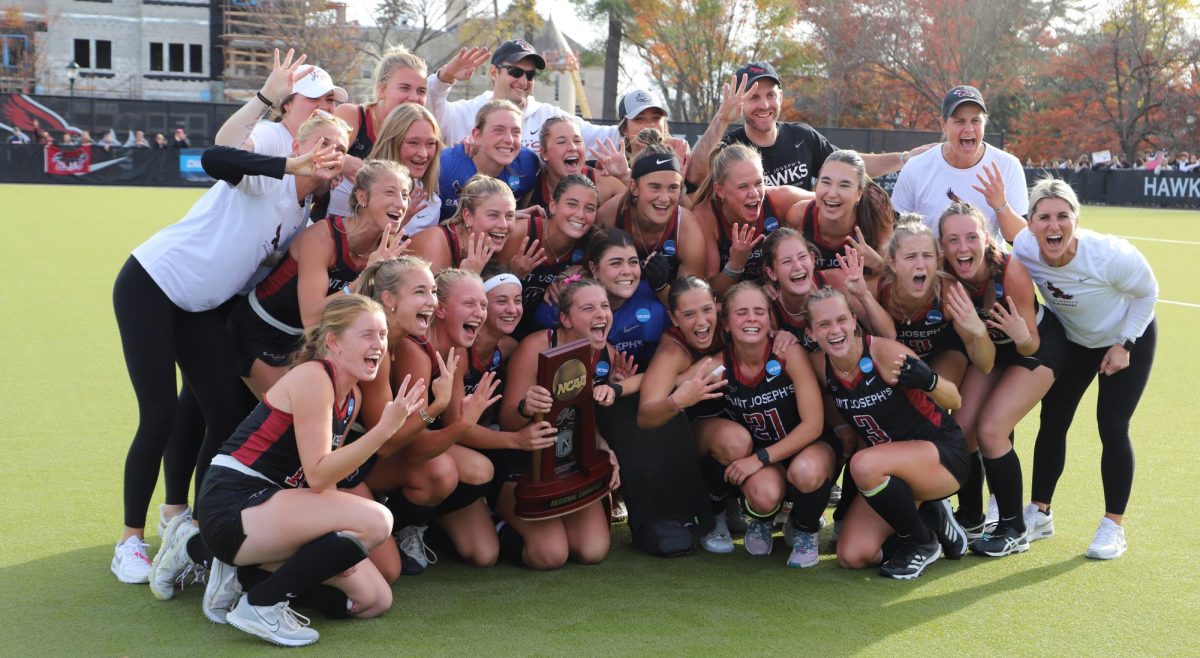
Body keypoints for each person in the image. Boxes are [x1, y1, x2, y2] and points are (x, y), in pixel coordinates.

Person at [109, 111, 348, 585]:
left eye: (339, 149)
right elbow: (215, 156)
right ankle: (129, 540)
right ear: (299, 145)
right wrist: (288, 159)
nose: (330, 154)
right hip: (152, 285)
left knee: (221, 412)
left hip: (201, 307)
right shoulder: (270, 181)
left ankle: (195, 525)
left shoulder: (305, 212)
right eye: (322, 142)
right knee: (157, 413)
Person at [194, 295, 425, 646]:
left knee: (374, 600)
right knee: (377, 521)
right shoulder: (314, 378)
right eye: (367, 335)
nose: (378, 344)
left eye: (382, 334)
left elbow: (324, 482)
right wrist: (383, 430)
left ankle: (243, 579)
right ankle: (259, 603)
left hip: (279, 509)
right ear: (333, 342)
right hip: (233, 505)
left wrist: (332, 548)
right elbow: (317, 473)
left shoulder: (353, 396)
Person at [1012, 178, 1158, 559]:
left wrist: (1124, 344)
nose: (1053, 225)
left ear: (1077, 220)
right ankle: (1040, 512)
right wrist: (997, 205)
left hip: (1127, 337)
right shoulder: (1025, 247)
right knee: (1054, 418)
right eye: (1043, 217)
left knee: (1111, 425)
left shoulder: (1109, 255)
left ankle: (1113, 525)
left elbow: (1148, 293)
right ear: (1030, 223)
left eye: (1063, 216)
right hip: (1076, 340)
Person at [806, 287, 970, 579]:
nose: (835, 330)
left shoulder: (884, 353)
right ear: (811, 333)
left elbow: (954, 400)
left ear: (854, 320)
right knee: (852, 555)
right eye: (824, 325)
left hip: (941, 455)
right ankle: (929, 519)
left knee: (863, 464)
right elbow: (830, 397)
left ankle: (922, 543)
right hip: (889, 474)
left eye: (841, 319)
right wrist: (842, 427)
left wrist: (929, 380)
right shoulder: (821, 364)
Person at [353, 257, 500, 577]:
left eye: (433, 292)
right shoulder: (379, 345)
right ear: (389, 300)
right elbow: (386, 446)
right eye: (421, 292)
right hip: (332, 466)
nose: (431, 302)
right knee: (386, 575)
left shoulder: (388, 345)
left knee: (474, 480)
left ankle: (405, 525)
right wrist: (438, 408)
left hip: (354, 455)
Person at [938, 201, 1068, 554]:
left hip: (1035, 347)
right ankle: (971, 516)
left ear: (986, 238)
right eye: (952, 240)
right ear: (942, 245)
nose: (963, 248)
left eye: (970, 237)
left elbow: (1029, 345)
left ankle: (1014, 527)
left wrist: (1017, 334)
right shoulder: (946, 279)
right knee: (961, 430)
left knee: (992, 430)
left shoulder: (1010, 273)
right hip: (993, 350)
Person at [227, 160, 413, 397]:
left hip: (309, 344)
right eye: (390, 192)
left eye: (405, 195)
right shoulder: (323, 237)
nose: (401, 202)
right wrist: (363, 278)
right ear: (362, 198)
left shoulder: (388, 250)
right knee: (293, 415)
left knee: (345, 404)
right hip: (261, 332)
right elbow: (311, 316)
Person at [685, 283, 829, 567]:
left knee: (806, 470)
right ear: (725, 323)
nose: (752, 319)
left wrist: (759, 458)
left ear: (770, 319)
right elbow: (672, 386)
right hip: (765, 458)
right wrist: (620, 385)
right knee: (763, 495)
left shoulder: (789, 353)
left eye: (759, 312)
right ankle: (760, 520)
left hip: (807, 449)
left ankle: (804, 527)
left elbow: (813, 426)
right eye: (742, 312)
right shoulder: (720, 363)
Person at [496, 277, 624, 569]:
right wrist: (527, 407)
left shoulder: (609, 354)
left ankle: (560, 521)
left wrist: (604, 447)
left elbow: (584, 418)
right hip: (525, 464)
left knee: (592, 551)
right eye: (588, 308)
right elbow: (506, 422)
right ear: (565, 318)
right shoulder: (536, 347)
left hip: (569, 465)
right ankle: (498, 524)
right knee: (551, 555)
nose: (601, 314)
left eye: (604, 306)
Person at [686, 61, 920, 189]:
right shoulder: (730, 146)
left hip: (799, 254)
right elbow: (694, 177)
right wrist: (722, 118)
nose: (764, 104)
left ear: (781, 97)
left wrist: (904, 158)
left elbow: (852, 166)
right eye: (754, 97)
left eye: (771, 95)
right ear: (740, 102)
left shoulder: (802, 135)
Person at [891, 85, 1027, 246]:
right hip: (934, 268)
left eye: (976, 120)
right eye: (959, 121)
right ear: (944, 124)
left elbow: (1022, 241)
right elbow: (894, 232)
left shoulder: (1007, 166)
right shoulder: (916, 167)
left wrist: (1001, 206)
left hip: (988, 267)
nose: (969, 129)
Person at [428, 39, 619, 150]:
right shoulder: (465, 113)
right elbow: (428, 108)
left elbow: (605, 137)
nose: (523, 81)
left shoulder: (549, 117)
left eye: (530, 74)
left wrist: (640, 123)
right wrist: (444, 77)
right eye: (515, 72)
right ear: (494, 72)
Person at [876, 216, 994, 386]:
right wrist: (862, 295)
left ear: (938, 261)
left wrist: (980, 331)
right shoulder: (875, 289)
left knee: (931, 400)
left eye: (927, 256)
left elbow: (986, 366)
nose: (920, 265)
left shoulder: (951, 293)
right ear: (892, 263)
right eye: (910, 257)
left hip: (943, 355)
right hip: (896, 358)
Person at [597, 129, 707, 303]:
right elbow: (589, 278)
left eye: (672, 188)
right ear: (633, 187)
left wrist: (662, 287)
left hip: (664, 311)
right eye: (655, 187)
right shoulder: (611, 215)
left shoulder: (686, 228)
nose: (665, 198)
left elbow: (691, 307)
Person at [691, 143, 809, 295]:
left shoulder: (779, 199)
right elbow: (711, 291)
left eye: (759, 183)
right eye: (743, 187)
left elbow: (825, 200)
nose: (754, 193)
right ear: (720, 190)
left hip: (776, 295)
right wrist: (736, 263)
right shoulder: (705, 217)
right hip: (733, 304)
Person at [329, 45, 428, 216]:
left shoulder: (418, 131)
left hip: (380, 226)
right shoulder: (353, 116)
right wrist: (342, 160)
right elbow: (313, 152)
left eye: (421, 91)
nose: (413, 97)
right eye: (404, 88)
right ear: (382, 90)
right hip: (325, 220)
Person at [762, 227, 895, 352]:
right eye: (786, 261)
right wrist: (781, 338)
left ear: (812, 260)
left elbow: (889, 336)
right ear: (772, 273)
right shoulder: (770, 306)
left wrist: (863, 295)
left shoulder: (836, 281)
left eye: (802, 257)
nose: (797, 266)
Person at [215, 48, 348, 157]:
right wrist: (267, 94)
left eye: (330, 99)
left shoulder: (333, 148)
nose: (325, 106)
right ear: (287, 105)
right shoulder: (272, 135)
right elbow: (226, 149)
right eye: (313, 97)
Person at [513, 174, 600, 338]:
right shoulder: (523, 233)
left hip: (538, 330)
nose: (580, 215)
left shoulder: (588, 246)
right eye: (572, 204)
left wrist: (574, 276)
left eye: (589, 208)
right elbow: (481, 283)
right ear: (553, 205)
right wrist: (512, 275)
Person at [787, 150, 895, 276]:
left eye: (844, 185)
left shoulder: (876, 216)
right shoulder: (799, 216)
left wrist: (875, 262)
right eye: (826, 182)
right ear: (816, 186)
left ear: (859, 194)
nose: (832, 194)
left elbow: (893, 280)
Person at [409, 173, 538, 275]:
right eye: (493, 215)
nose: (504, 225)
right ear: (468, 217)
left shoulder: (491, 241)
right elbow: (432, 306)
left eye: (509, 216)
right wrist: (469, 275)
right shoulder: (435, 244)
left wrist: (514, 274)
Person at [437, 100, 540, 220]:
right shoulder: (444, 165)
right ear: (476, 135)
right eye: (499, 130)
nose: (509, 139)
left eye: (516, 132)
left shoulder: (527, 164)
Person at [521, 116, 628, 212]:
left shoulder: (606, 184)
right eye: (561, 142)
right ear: (544, 153)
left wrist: (625, 175)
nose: (572, 147)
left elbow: (638, 208)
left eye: (577, 141)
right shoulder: (530, 187)